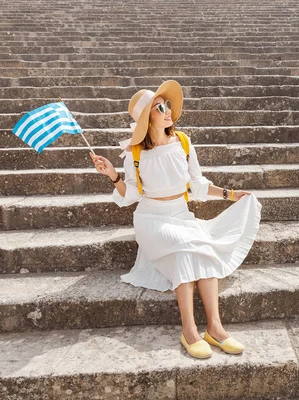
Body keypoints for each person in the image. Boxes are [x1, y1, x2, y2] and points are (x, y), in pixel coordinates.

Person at [89, 80, 262, 359]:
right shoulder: (134, 153)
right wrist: (112, 175)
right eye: (160, 107)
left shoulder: (182, 141)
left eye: (167, 105)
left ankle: (215, 329)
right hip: (151, 219)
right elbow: (131, 194)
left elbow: (197, 184)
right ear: (148, 117)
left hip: (180, 214)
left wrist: (230, 194)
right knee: (185, 252)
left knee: (202, 251)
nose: (167, 110)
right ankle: (189, 331)